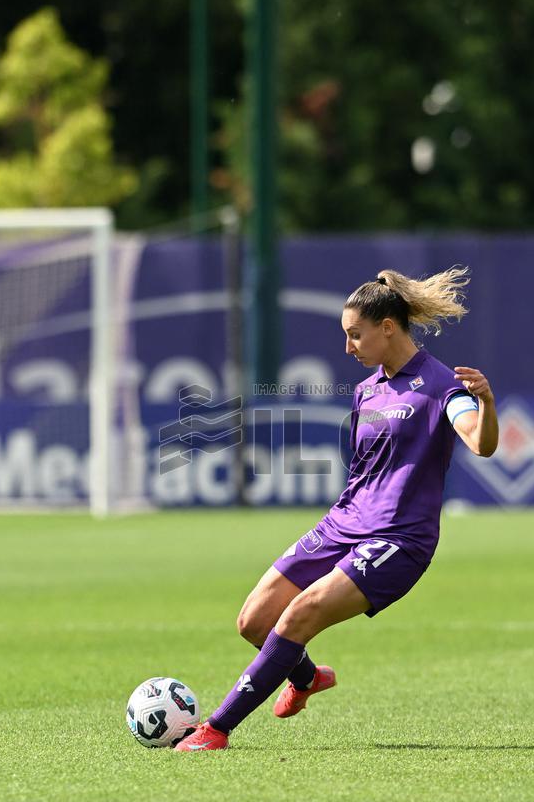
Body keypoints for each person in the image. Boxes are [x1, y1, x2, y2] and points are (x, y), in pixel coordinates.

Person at [175, 266, 499, 751]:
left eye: (355, 334)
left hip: (397, 539)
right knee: (255, 622)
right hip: (343, 523)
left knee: (298, 615)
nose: (349, 347)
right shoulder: (366, 390)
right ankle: (307, 679)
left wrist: (487, 404)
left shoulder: (439, 385)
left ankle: (216, 729)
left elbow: (479, 442)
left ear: (387, 327)